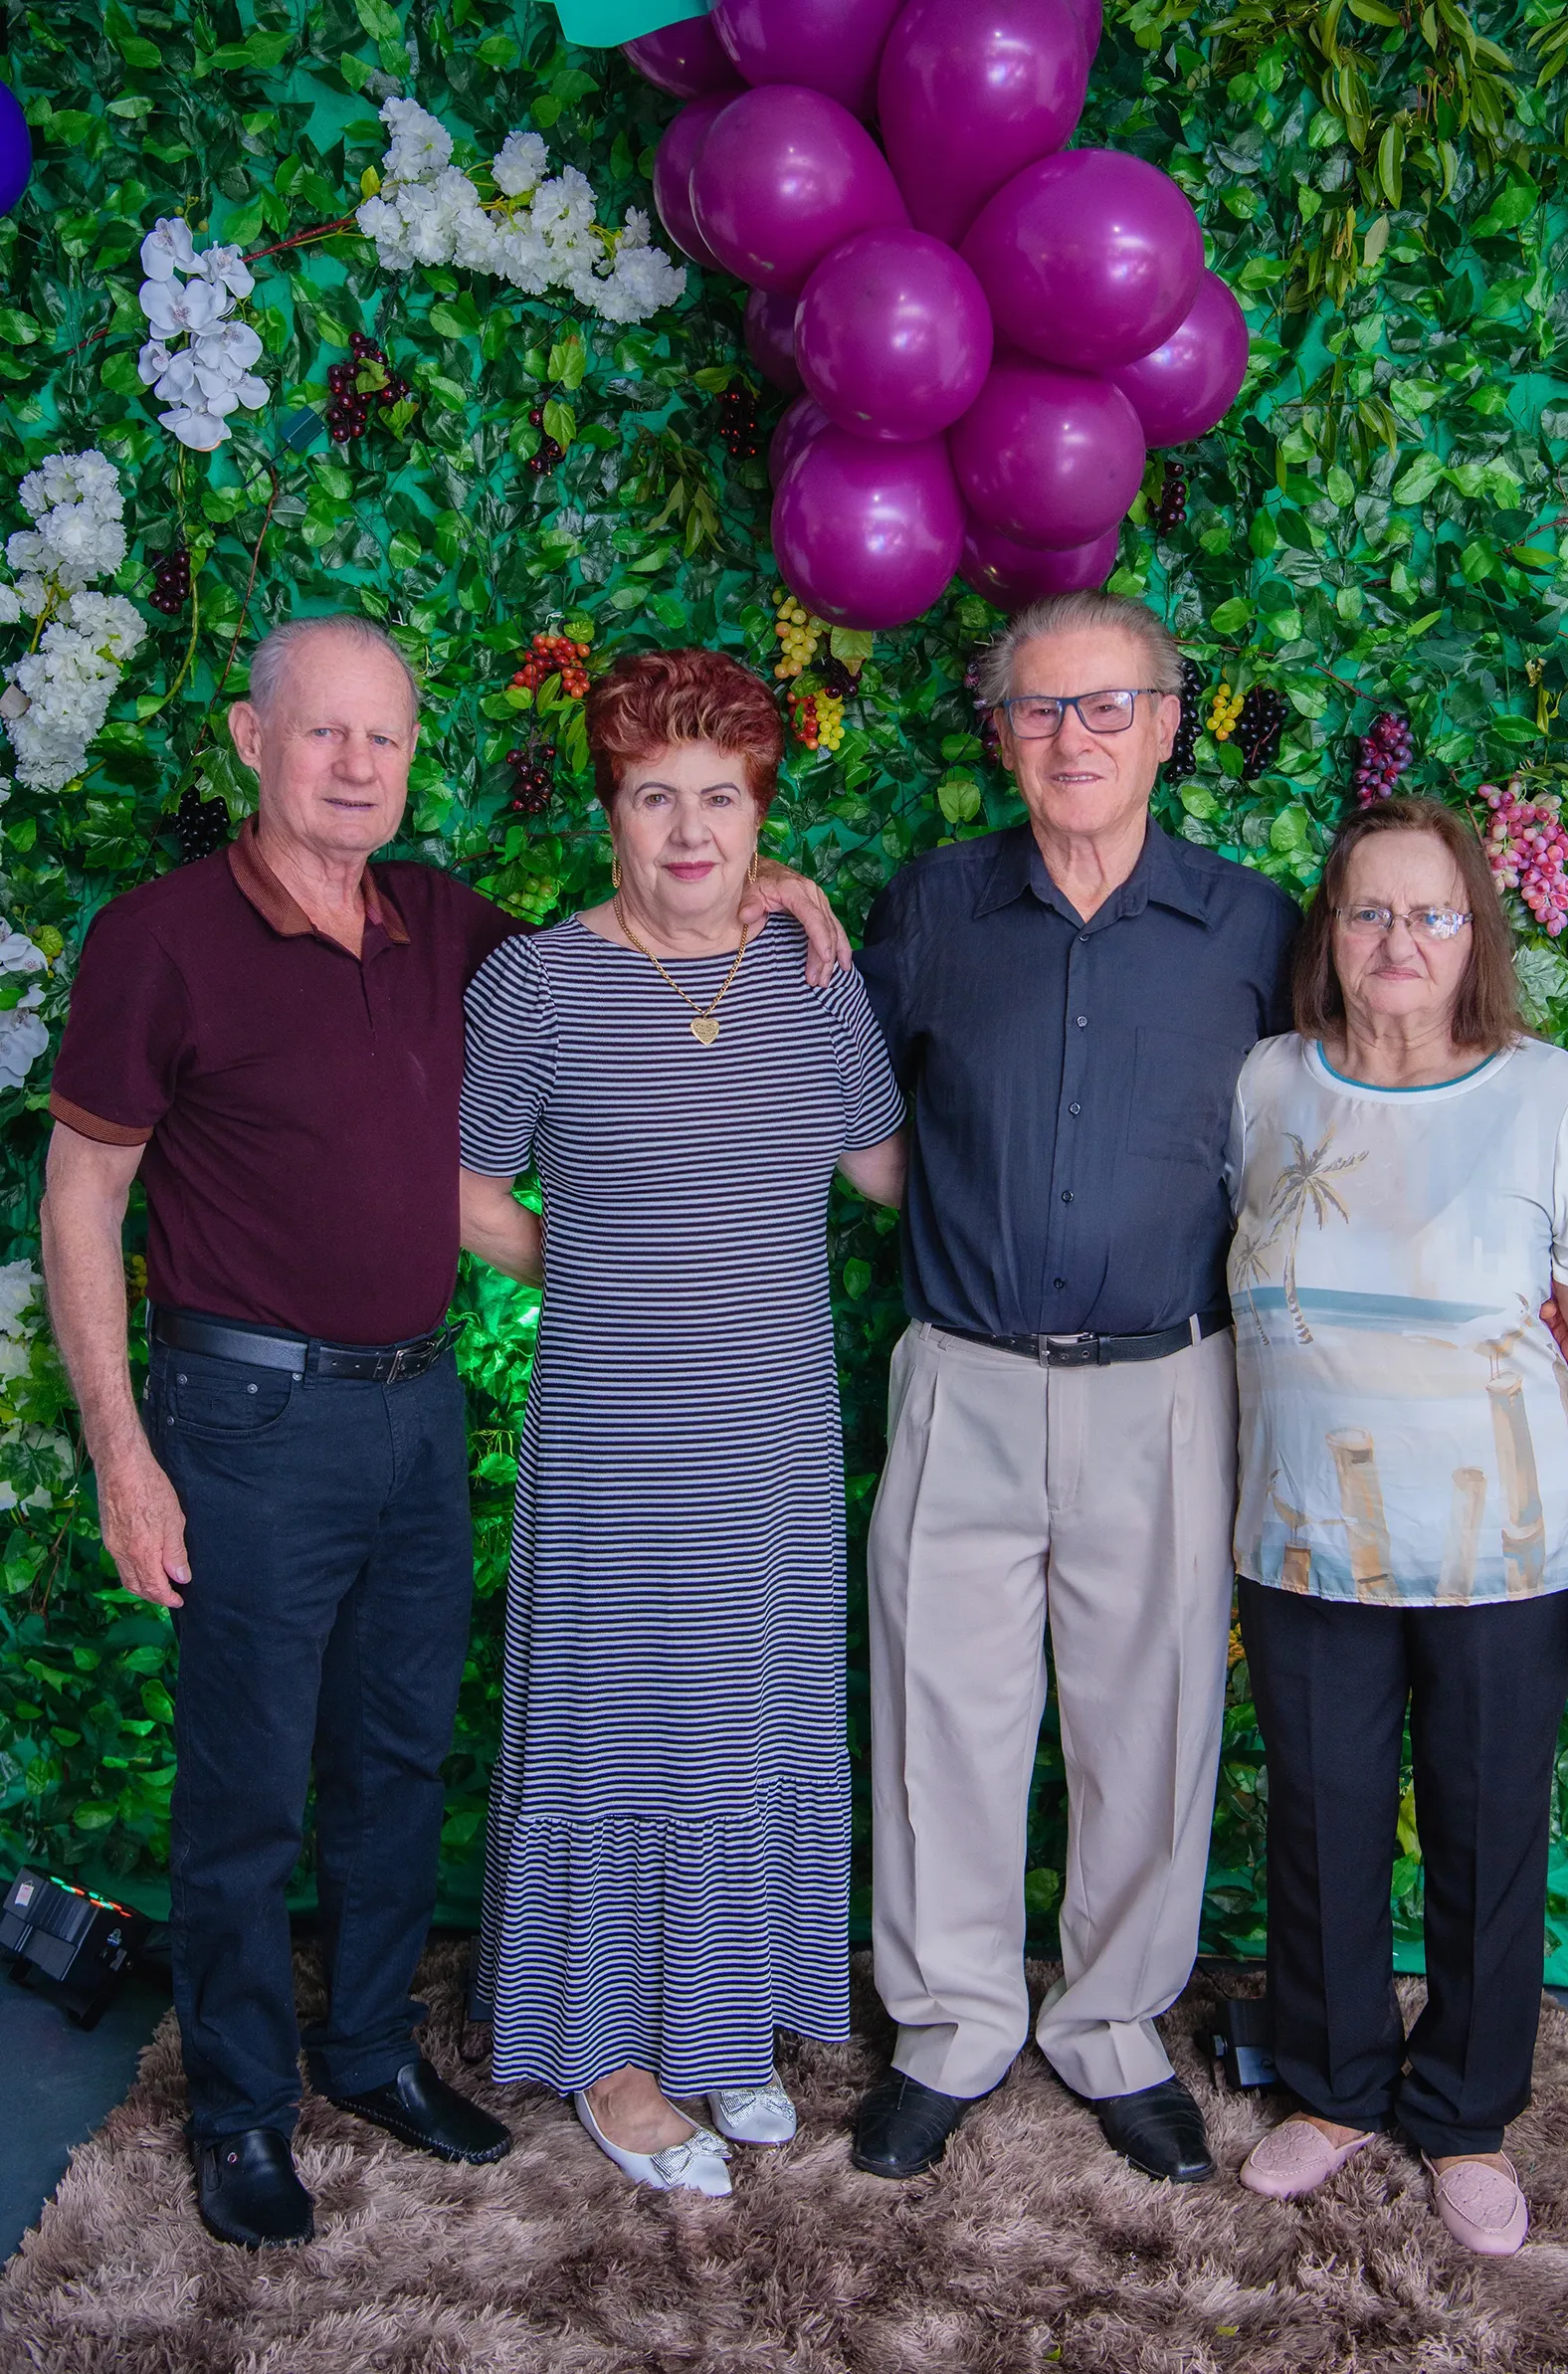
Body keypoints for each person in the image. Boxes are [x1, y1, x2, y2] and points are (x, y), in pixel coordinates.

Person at [37, 613, 852, 2250]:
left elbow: (644, 926)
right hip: (247, 1412)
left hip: (416, 1403)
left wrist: (775, 889)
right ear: (250, 743)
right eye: (323, 734)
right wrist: (124, 1454)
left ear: (414, 760)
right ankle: (245, 2111)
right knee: (250, 1785)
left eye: (385, 740)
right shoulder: (162, 937)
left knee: (402, 1757)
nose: (355, 766)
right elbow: (81, 1194)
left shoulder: (442, 926)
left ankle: (368, 2054)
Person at [851, 589, 1301, 2185]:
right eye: (1041, 709)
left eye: (1109, 707)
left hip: (1168, 1385)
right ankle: (952, 2021)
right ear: (999, 733)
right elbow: (845, 1096)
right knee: (940, 1717)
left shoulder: (1254, 925)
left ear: (1170, 724)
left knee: (1152, 1717)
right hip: (963, 1374)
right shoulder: (932, 905)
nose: (1075, 738)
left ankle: (1110, 2023)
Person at [459, 647, 905, 2199]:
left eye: (722, 798)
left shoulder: (808, 975)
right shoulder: (534, 982)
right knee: (621, 1712)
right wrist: (595, 1262)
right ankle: (612, 2057)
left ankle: (720, 2024)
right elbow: (466, 1191)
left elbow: (888, 1173)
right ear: (614, 811)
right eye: (658, 798)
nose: (692, 831)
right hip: (611, 1431)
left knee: (752, 1707)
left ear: (759, 813)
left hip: (773, 1427)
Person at [1229, 796, 1568, 2258]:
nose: (1398, 940)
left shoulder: (1542, 1093)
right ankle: (1338, 2086)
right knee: (1323, 1820)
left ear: (1474, 932)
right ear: (1330, 935)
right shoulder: (1267, 1083)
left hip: (1506, 1550)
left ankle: (1465, 2111)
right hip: (1302, 1537)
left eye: (1432, 913)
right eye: (1369, 912)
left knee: (1487, 1835)